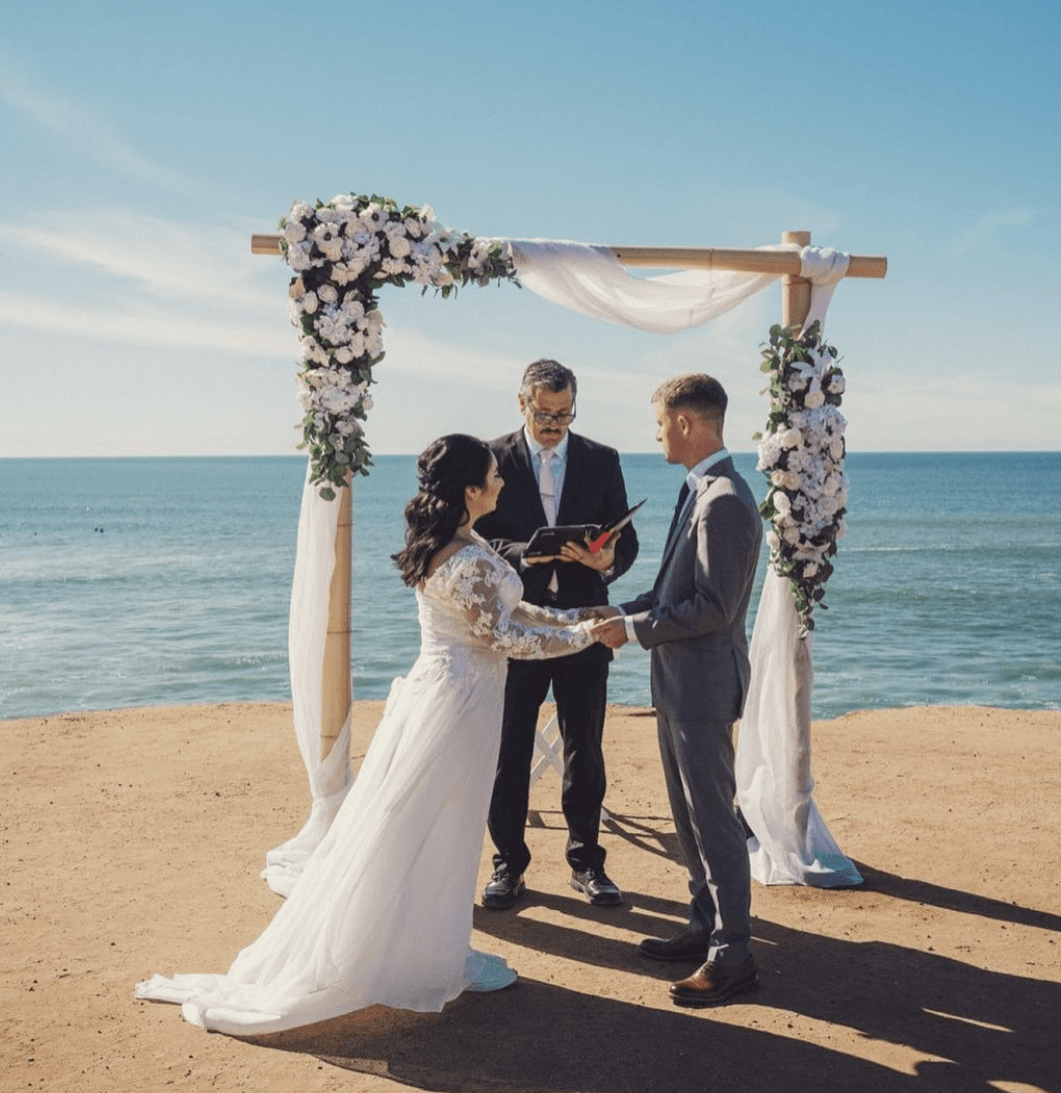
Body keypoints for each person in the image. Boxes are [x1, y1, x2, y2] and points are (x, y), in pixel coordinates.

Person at [135, 435, 599, 1035]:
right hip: (457, 706)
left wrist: (580, 619)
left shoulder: (461, 545)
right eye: (493, 475)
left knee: (440, 824)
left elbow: (515, 615)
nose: (502, 482)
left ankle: (439, 942)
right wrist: (586, 635)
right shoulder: (464, 558)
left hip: (453, 695)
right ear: (470, 491)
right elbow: (505, 638)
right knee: (438, 825)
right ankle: (429, 955)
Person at [593, 374, 763, 1007]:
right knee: (688, 817)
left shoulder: (723, 500)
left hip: (705, 686)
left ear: (689, 424)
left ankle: (734, 956)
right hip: (678, 683)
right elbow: (672, 593)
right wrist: (612, 613)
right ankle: (703, 926)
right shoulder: (700, 492)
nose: (656, 431)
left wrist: (632, 630)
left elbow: (712, 608)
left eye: (660, 421)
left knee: (714, 819)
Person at [475, 359, 638, 909]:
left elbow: (626, 540)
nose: (553, 424)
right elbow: (472, 541)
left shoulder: (601, 460)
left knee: (584, 748)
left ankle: (587, 862)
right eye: (544, 413)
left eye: (564, 414)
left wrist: (609, 558)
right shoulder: (491, 458)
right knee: (509, 750)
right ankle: (507, 865)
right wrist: (527, 552)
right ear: (521, 402)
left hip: (583, 624)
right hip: (515, 626)